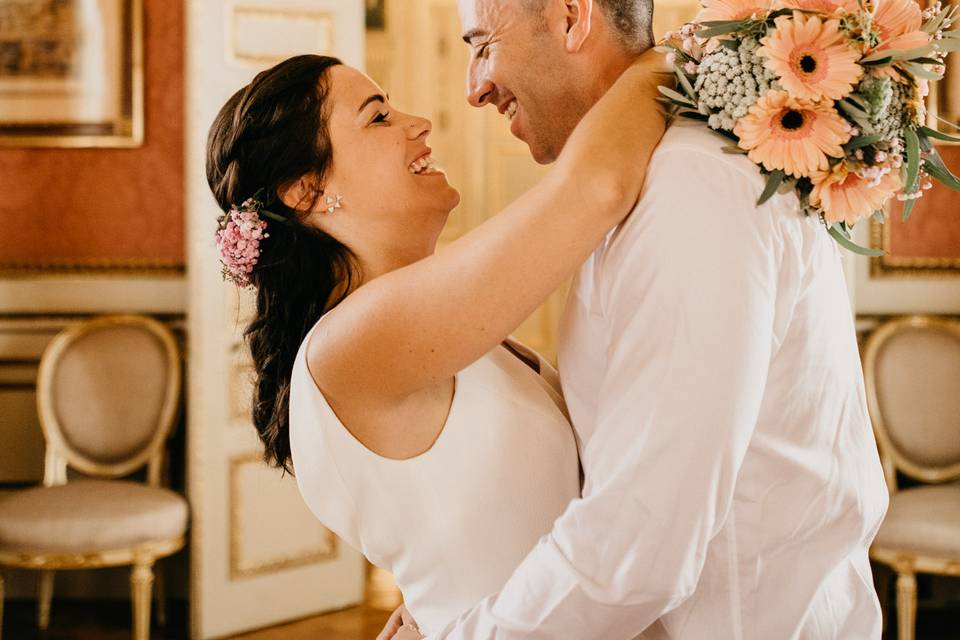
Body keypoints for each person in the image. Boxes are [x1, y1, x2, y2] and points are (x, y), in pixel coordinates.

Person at [383, 0, 890, 638]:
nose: (473, 88)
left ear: (572, 18)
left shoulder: (691, 188)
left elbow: (642, 543)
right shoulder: (644, 177)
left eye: (483, 45)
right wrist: (467, 588)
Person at [205, 51, 668, 637]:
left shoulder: (399, 329)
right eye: (377, 117)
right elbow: (596, 187)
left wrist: (445, 602)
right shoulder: (353, 343)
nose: (418, 122)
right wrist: (692, 51)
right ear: (306, 189)